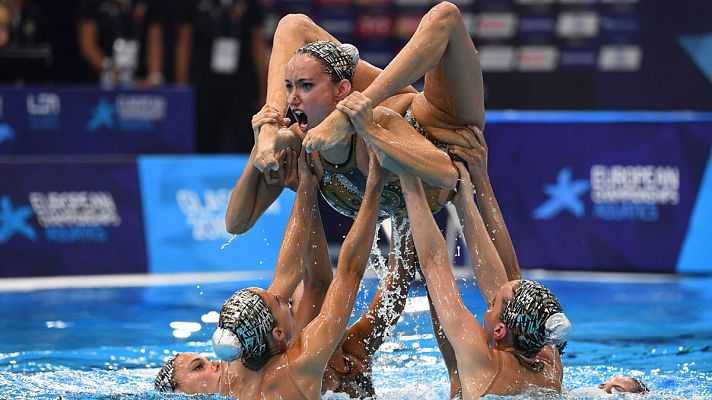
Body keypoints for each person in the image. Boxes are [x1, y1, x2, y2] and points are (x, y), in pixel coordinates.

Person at [225, 1, 486, 236]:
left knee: (445, 15)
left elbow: (448, 175)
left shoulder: (364, 123)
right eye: (290, 87)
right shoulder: (300, 144)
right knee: (292, 24)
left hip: (436, 124)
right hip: (389, 114)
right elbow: (236, 224)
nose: (293, 98)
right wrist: (263, 141)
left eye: (305, 86)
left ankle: (325, 116)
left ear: (342, 91)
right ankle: (272, 120)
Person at [156, 149, 390, 398]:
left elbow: (289, 271)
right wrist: (375, 184)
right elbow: (349, 273)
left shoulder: (236, 372)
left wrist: (305, 190)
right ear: (277, 333)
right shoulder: (301, 364)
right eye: (279, 301)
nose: (282, 294)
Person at [398, 162, 572, 398]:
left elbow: (433, 264)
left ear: (500, 330)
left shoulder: (482, 359)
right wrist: (466, 197)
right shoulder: (550, 366)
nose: (488, 303)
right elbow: (511, 281)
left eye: (493, 304)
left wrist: (407, 175)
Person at [175, 0, 268, 153]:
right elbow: (184, 42)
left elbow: (258, 43)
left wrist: (264, 89)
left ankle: (246, 175)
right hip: (204, 83)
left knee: (245, 139)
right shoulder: (193, 4)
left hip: (242, 83)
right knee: (205, 141)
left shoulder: (251, 4)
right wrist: (182, 89)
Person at [77, 0, 163, 87]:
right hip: (100, 81)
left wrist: (153, 77)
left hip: (140, 81)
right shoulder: (92, 3)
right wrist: (110, 70)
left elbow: (154, 43)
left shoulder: (150, 3)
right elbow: (87, 45)